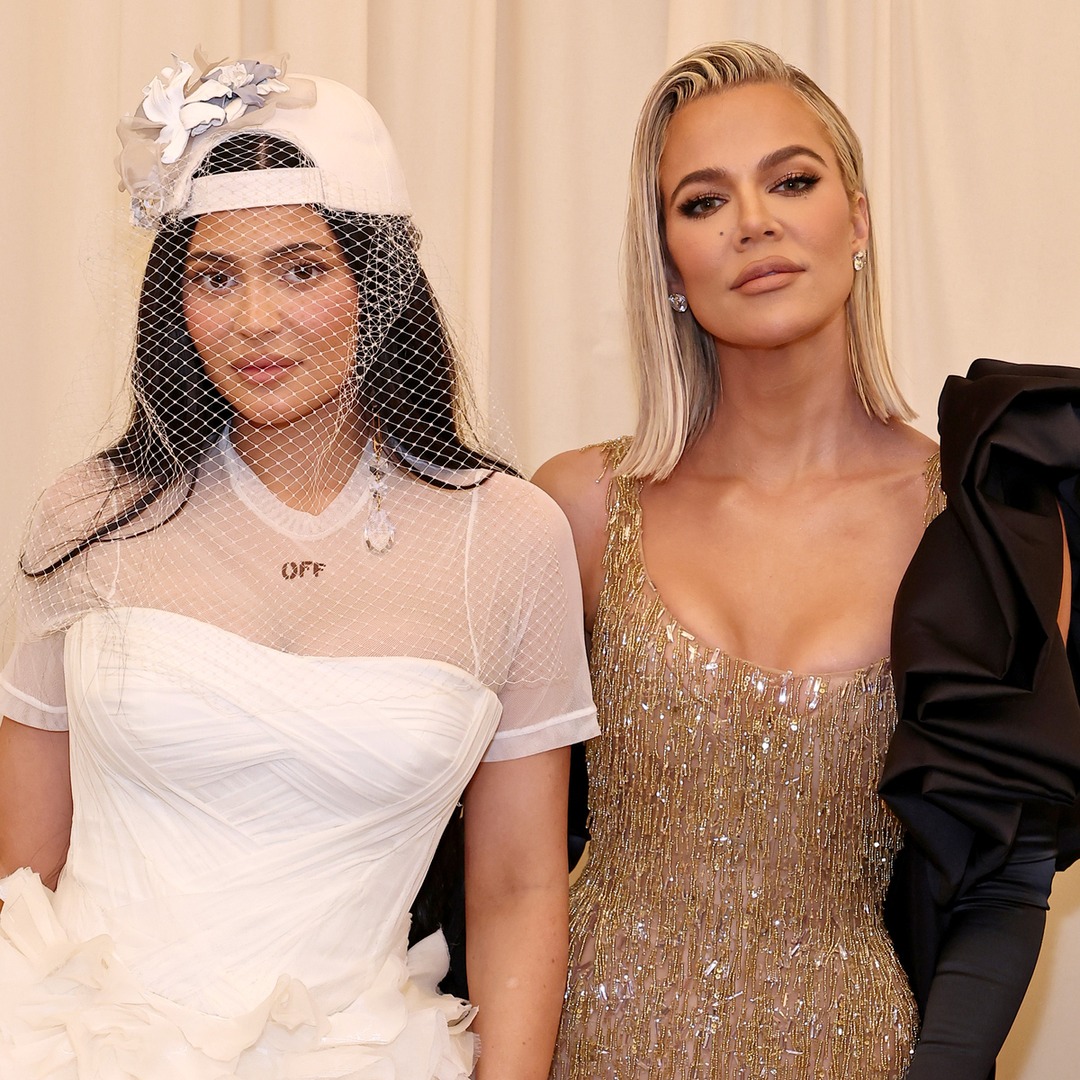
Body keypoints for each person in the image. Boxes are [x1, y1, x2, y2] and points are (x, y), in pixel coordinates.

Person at [0, 56, 598, 1079]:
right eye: (214, 277)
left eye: (301, 269)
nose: (254, 320)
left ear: (381, 280)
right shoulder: (89, 512)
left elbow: (517, 887)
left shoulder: (508, 537)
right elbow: (22, 869)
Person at [535, 41, 1075, 1080]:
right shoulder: (581, 510)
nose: (753, 222)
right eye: (703, 202)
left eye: (792, 181)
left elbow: (1005, 885)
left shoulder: (985, 529)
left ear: (858, 219)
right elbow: (510, 861)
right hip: (583, 1047)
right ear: (669, 266)